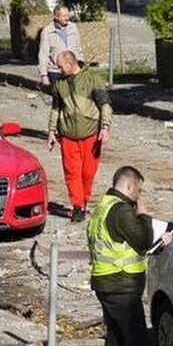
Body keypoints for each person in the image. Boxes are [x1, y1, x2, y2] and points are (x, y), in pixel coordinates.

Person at [87, 166, 171, 346]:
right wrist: (144, 216)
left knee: (115, 338)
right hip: (121, 285)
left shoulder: (103, 206)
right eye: (139, 190)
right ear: (128, 186)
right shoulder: (121, 210)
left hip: (106, 282)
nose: (139, 196)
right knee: (136, 341)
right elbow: (142, 239)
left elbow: (126, 245)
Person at [48, 50, 112, 223]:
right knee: (71, 172)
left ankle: (84, 200)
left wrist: (105, 127)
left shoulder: (93, 79)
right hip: (68, 135)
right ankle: (78, 206)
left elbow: (105, 105)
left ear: (70, 63)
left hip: (91, 134)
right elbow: (55, 109)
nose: (59, 70)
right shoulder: (59, 84)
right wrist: (52, 131)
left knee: (88, 172)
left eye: (61, 67)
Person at [38, 4, 85, 90]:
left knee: (74, 96)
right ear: (56, 17)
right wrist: (43, 75)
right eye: (64, 16)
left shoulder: (73, 28)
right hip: (56, 71)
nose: (67, 18)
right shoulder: (47, 31)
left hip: (72, 69)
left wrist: (81, 65)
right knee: (58, 98)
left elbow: (78, 48)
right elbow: (43, 54)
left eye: (68, 15)